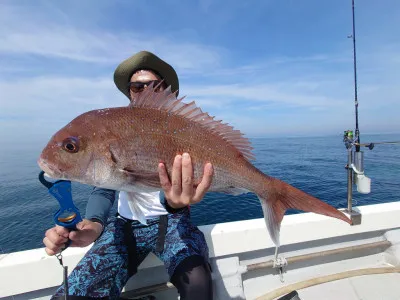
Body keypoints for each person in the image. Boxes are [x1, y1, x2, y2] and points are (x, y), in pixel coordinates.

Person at [43, 51, 214, 300]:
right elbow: (104, 186)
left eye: (154, 86)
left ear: (167, 92)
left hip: (174, 224)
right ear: (130, 93)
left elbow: (185, 182)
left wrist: (175, 205)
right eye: (137, 86)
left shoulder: (183, 129)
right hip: (125, 227)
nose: (145, 90)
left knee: (198, 282)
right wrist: (92, 225)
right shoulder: (114, 128)